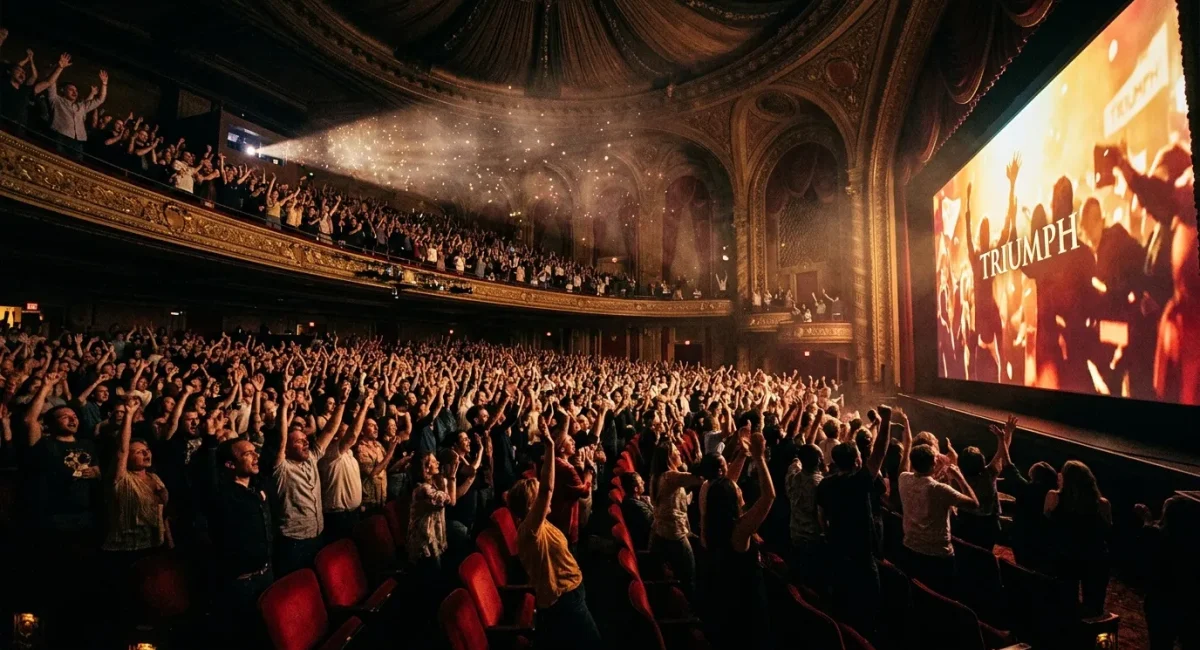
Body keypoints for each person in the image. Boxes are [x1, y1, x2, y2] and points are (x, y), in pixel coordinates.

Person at [508, 435, 603, 649]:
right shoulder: (530, 531)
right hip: (563, 599)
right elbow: (547, 489)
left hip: (570, 592)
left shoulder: (541, 526)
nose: (547, 499)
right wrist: (550, 446)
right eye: (540, 497)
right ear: (532, 505)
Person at [816, 405, 891, 635]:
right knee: (869, 608)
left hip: (837, 550)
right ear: (858, 462)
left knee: (842, 603)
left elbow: (821, 516)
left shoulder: (825, 483)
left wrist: (828, 534)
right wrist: (886, 420)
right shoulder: (859, 482)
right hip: (861, 556)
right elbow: (879, 453)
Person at [702, 429, 776, 649]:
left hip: (724, 601)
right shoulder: (739, 532)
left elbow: (723, 484)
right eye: (738, 493)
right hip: (746, 603)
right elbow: (768, 496)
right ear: (731, 502)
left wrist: (743, 456)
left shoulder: (710, 525)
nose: (741, 493)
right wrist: (760, 458)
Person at [207, 436, 273, 649]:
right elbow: (206, 478)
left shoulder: (254, 489)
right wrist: (210, 442)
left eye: (255, 452)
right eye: (247, 454)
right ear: (230, 464)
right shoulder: (223, 496)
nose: (255, 457)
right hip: (241, 583)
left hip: (265, 573)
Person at [272, 385, 343, 575]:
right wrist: (284, 407)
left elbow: (329, 431)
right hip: (294, 541)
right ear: (286, 448)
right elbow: (280, 439)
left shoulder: (311, 458)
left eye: (306, 439)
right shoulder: (282, 468)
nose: (305, 443)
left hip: (317, 534)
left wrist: (342, 403)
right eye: (298, 441)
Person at [898, 440, 979, 596]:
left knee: (915, 593)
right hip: (937, 556)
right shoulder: (939, 489)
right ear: (933, 464)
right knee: (941, 596)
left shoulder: (903, 479)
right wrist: (959, 477)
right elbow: (974, 504)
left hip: (909, 549)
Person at [1045, 460, 1111, 617]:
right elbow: (1107, 529)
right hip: (1095, 558)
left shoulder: (1054, 497)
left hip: (1066, 557)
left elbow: (1047, 521)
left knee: (1065, 602)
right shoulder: (1102, 504)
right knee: (1094, 607)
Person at [1134, 496, 1200, 650]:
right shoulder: (1192, 542)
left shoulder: (1157, 538)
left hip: (1160, 603)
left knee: (1160, 643)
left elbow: (1145, 548)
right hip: (1190, 603)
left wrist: (1147, 520)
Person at [648, 440, 702, 597]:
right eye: (675, 451)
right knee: (689, 574)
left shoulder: (657, 476)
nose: (679, 452)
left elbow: (673, 501)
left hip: (661, 529)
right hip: (674, 532)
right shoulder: (671, 477)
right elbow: (697, 480)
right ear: (668, 457)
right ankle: (691, 609)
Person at [953, 415, 1015, 549]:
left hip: (965, 521)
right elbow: (1002, 453)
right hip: (987, 524)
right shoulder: (988, 475)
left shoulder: (957, 478)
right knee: (984, 552)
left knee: (966, 550)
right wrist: (1006, 434)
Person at [38, 53, 107, 150]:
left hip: (78, 141)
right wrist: (60, 67)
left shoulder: (82, 106)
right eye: (71, 89)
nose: (74, 92)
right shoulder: (56, 99)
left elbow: (100, 100)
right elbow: (51, 83)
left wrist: (104, 84)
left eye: (76, 90)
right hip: (60, 137)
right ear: (63, 90)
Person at [786, 442, 824, 587]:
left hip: (795, 532)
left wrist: (797, 460)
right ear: (819, 461)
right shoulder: (820, 484)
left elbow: (794, 466)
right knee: (812, 579)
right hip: (812, 537)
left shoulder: (792, 477)